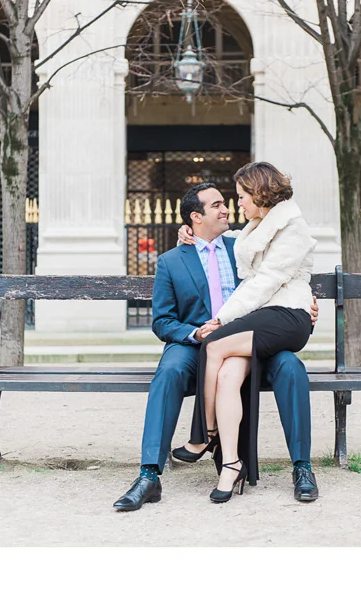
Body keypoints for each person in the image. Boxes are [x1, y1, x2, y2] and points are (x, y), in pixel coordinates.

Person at [113, 182, 318, 512]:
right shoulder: (171, 261)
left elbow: (282, 276)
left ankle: (302, 468)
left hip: (253, 341)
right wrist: (195, 334)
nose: (227, 209)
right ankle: (149, 474)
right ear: (196, 217)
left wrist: (305, 304)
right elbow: (162, 321)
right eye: (217, 205)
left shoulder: (245, 245)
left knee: (292, 368)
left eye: (229, 202)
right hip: (195, 344)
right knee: (168, 372)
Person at [174, 162, 317, 503]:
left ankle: (203, 435)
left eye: (240, 197)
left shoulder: (293, 227)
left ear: (259, 192)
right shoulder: (261, 224)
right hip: (264, 317)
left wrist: (221, 320)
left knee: (212, 345)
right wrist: (193, 234)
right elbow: (241, 241)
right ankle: (231, 465)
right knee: (225, 374)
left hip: (288, 316)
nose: (236, 204)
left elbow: (266, 282)